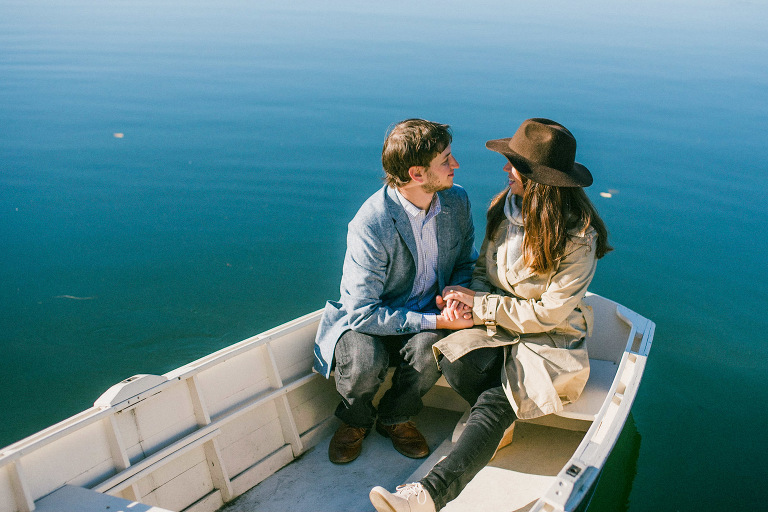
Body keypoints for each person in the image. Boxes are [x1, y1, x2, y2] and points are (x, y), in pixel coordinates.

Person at [369, 118, 612, 511]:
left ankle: (428, 494)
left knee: (499, 400)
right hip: (498, 327)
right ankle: (493, 428)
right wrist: (465, 300)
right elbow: (484, 270)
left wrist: (481, 305)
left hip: (548, 342)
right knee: (453, 357)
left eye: (513, 164)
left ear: (537, 179)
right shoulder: (505, 209)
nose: (505, 170)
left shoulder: (579, 237)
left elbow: (549, 314)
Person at [313, 118, 478, 464]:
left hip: (426, 311)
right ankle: (356, 420)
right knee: (361, 362)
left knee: (434, 347)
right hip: (368, 322)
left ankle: (395, 417)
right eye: (446, 159)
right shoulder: (370, 224)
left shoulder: (456, 201)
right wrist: (435, 321)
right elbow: (361, 313)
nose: (456, 165)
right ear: (417, 174)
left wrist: (455, 297)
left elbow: (465, 260)